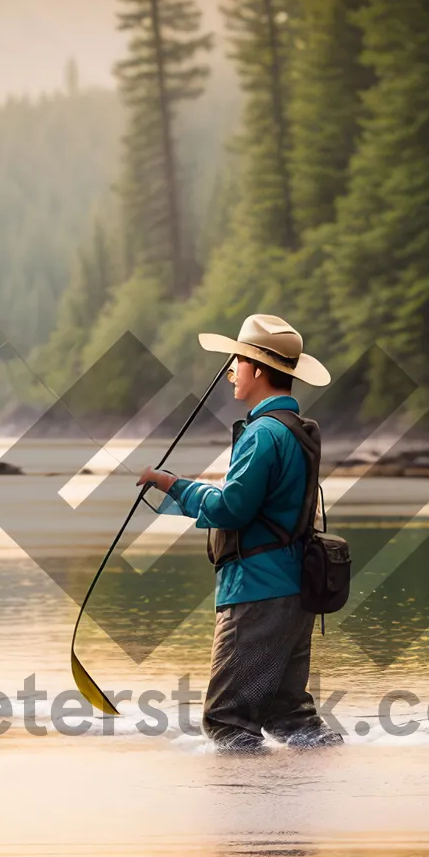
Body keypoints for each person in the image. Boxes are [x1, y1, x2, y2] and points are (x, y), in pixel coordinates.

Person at [137, 315, 344, 752]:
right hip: (292, 590)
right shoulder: (292, 430)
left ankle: (245, 812)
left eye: (238, 361)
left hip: (257, 590)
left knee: (226, 721)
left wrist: (172, 485)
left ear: (257, 369)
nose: (231, 370)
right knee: (290, 717)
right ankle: (317, 788)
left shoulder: (263, 434)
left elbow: (233, 507)